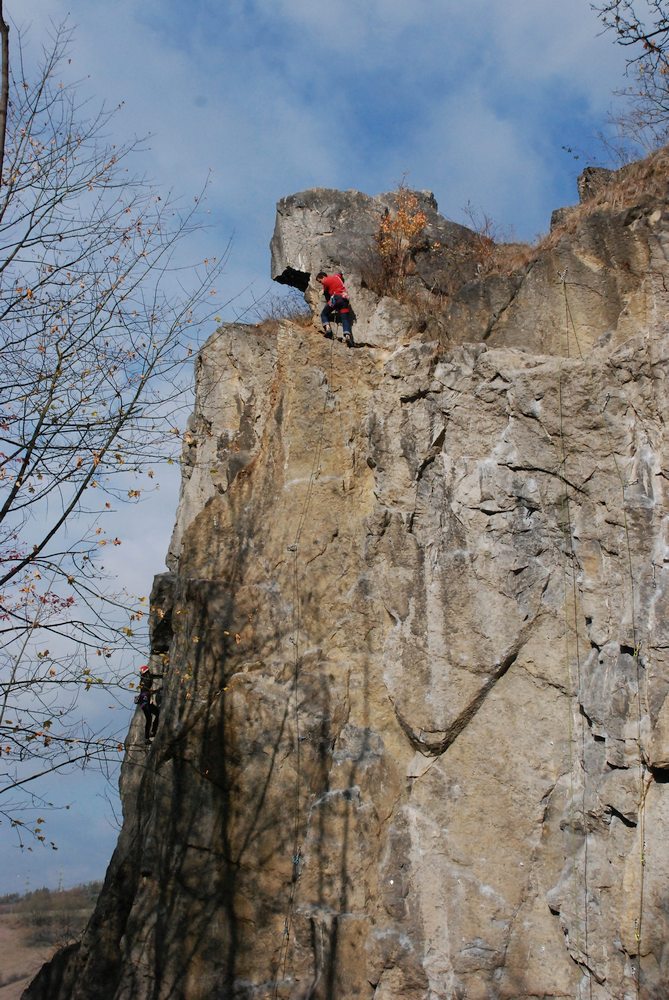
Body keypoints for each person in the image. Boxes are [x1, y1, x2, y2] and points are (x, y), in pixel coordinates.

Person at [316, 270, 354, 346]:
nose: (321, 283)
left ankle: (328, 330)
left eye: (320, 281)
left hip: (336, 298)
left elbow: (325, 291)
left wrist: (323, 291)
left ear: (322, 277)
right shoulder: (337, 277)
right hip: (345, 299)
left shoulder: (325, 280)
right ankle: (347, 336)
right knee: (345, 319)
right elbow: (340, 274)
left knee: (324, 314)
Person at [137, 663, 163, 744]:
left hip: (144, 700)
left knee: (157, 714)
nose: (140, 672)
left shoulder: (143, 678)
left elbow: (146, 689)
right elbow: (155, 676)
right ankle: (148, 737)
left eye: (141, 671)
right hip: (145, 700)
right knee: (150, 717)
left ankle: (152, 732)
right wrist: (163, 675)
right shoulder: (146, 676)